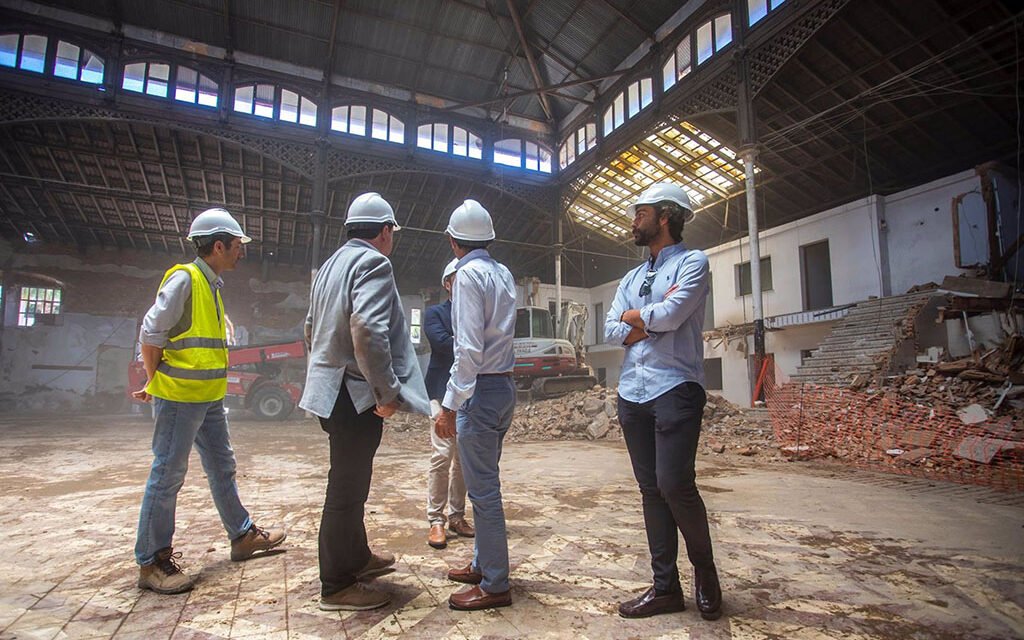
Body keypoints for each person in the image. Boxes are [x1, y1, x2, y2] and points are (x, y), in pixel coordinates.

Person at [132, 207, 286, 595]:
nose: (241, 252)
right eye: (236, 245)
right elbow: (151, 332)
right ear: (218, 245)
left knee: (222, 465)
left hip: (208, 398)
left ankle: (242, 535)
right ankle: (152, 561)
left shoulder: (211, 284)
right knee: (167, 475)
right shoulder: (185, 279)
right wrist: (153, 380)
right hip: (180, 398)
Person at [300, 192, 431, 611]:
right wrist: (385, 392)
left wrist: (327, 368)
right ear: (386, 230)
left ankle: (357, 558)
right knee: (346, 487)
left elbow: (309, 328)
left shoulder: (328, 267)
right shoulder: (373, 262)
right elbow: (368, 331)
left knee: (351, 481)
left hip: (327, 391)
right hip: (354, 395)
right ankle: (336, 585)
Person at [604, 182, 723, 621]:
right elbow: (610, 331)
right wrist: (646, 320)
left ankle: (705, 574)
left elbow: (673, 316)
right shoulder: (631, 278)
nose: (634, 220)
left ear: (666, 216)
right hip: (632, 394)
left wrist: (635, 318)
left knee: (675, 485)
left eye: (641, 212)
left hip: (675, 387)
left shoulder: (694, 263)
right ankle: (665, 588)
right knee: (651, 491)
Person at [434, 199, 517, 611]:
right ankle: (482, 564)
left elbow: (467, 350)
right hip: (503, 390)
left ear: (453, 242)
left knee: (484, 494)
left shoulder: (467, 276)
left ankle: (496, 584)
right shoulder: (503, 273)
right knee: (486, 484)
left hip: (479, 394)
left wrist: (449, 406)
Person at [424, 258, 475, 549]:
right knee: (443, 454)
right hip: (440, 393)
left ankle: (457, 516)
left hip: (468, 393)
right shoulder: (435, 314)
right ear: (447, 284)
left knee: (463, 460)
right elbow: (442, 343)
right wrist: (473, 342)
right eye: (458, 279)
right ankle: (436, 520)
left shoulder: (475, 313)